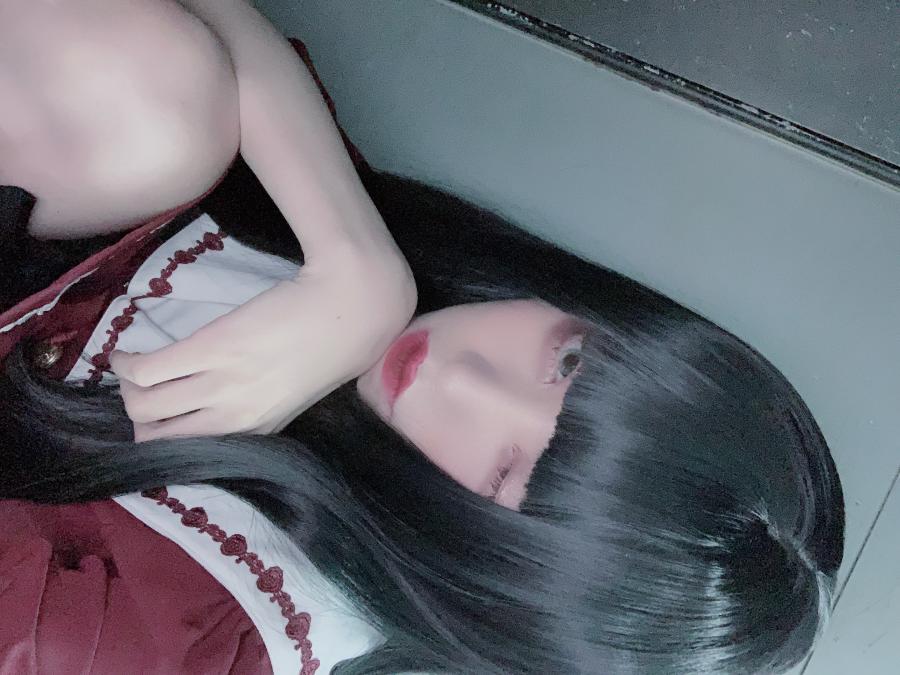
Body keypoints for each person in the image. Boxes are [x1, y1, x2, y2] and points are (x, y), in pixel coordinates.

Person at [0, 2, 844, 674]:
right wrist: (358, 265)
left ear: (491, 581)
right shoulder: (388, 282)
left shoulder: (186, 629)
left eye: (503, 475)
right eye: (567, 361)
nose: (457, 376)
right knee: (158, 110)